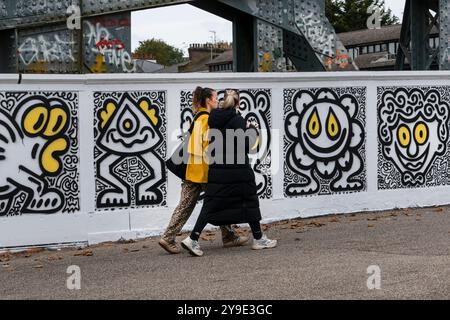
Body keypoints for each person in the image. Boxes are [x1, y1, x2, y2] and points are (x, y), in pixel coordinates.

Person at [181, 89, 277, 257]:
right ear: (237, 103)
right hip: (238, 170)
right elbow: (247, 146)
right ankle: (259, 239)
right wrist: (252, 130)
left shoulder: (213, 119)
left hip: (217, 170)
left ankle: (193, 239)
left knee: (210, 204)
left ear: (222, 102)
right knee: (250, 201)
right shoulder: (238, 120)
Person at [159, 87, 248, 254]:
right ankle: (228, 237)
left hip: (192, 169)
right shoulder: (206, 119)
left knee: (187, 205)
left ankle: (168, 237)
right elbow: (207, 145)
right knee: (218, 200)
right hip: (204, 171)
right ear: (208, 100)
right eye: (215, 98)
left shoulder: (198, 116)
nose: (218, 101)